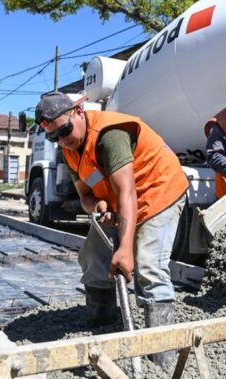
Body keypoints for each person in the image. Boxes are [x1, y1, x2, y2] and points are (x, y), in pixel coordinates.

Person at [35, 92, 189, 364]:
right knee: (93, 258)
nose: (62, 139)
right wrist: (97, 206)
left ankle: (162, 356)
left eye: (65, 130)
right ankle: (103, 329)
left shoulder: (110, 135)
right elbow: (85, 195)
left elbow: (128, 192)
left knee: (149, 266)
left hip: (158, 191)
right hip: (122, 202)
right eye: (53, 137)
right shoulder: (69, 150)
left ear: (79, 112)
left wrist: (125, 249)